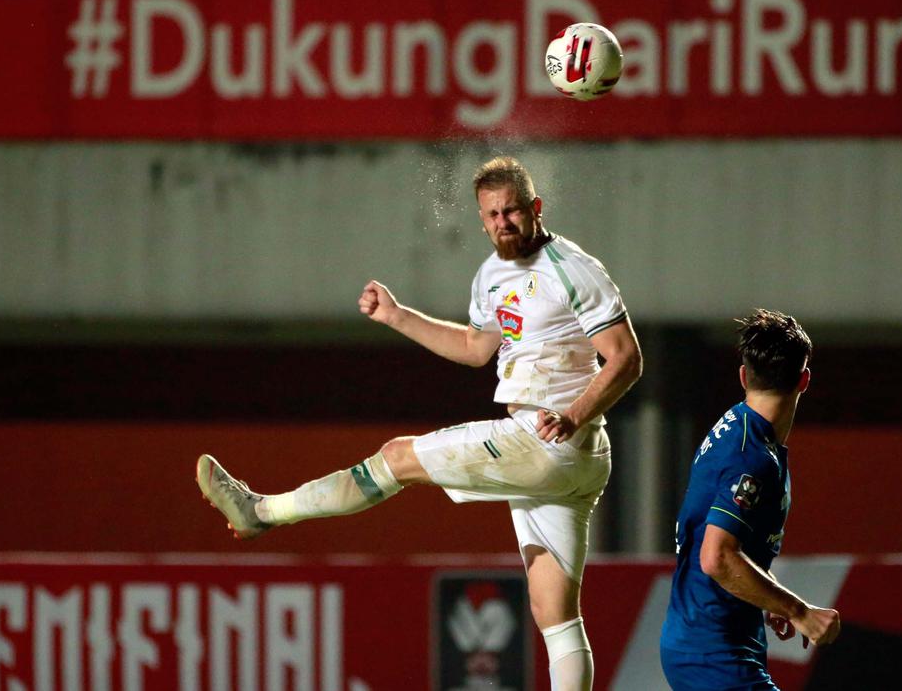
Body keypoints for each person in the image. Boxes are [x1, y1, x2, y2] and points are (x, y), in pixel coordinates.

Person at [196, 156, 642, 691]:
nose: (503, 223)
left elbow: (627, 358)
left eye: (513, 212)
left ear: (536, 209)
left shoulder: (573, 269)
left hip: (555, 441)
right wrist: (396, 315)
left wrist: (572, 415)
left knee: (398, 457)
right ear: (481, 219)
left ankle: (262, 511)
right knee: (555, 612)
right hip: (564, 457)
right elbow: (476, 349)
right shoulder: (492, 276)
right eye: (492, 214)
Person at [660, 309, 840, 691]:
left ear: (743, 376)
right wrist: (799, 611)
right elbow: (717, 557)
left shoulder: (737, 426)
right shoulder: (752, 456)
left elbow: (734, 548)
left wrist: (772, 599)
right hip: (713, 651)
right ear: (804, 380)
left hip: (705, 642)